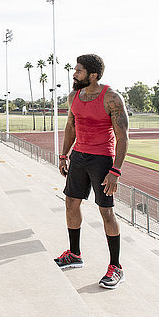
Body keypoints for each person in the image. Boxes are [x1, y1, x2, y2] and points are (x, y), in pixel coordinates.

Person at [54, 54, 129, 289]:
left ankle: (116, 266)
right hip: (78, 157)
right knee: (71, 204)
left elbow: (122, 136)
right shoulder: (73, 96)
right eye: (74, 70)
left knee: (106, 211)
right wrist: (64, 155)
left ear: (93, 75)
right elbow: (70, 126)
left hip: (102, 160)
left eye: (78, 71)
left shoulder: (112, 98)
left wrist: (115, 171)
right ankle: (74, 254)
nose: (74, 74)